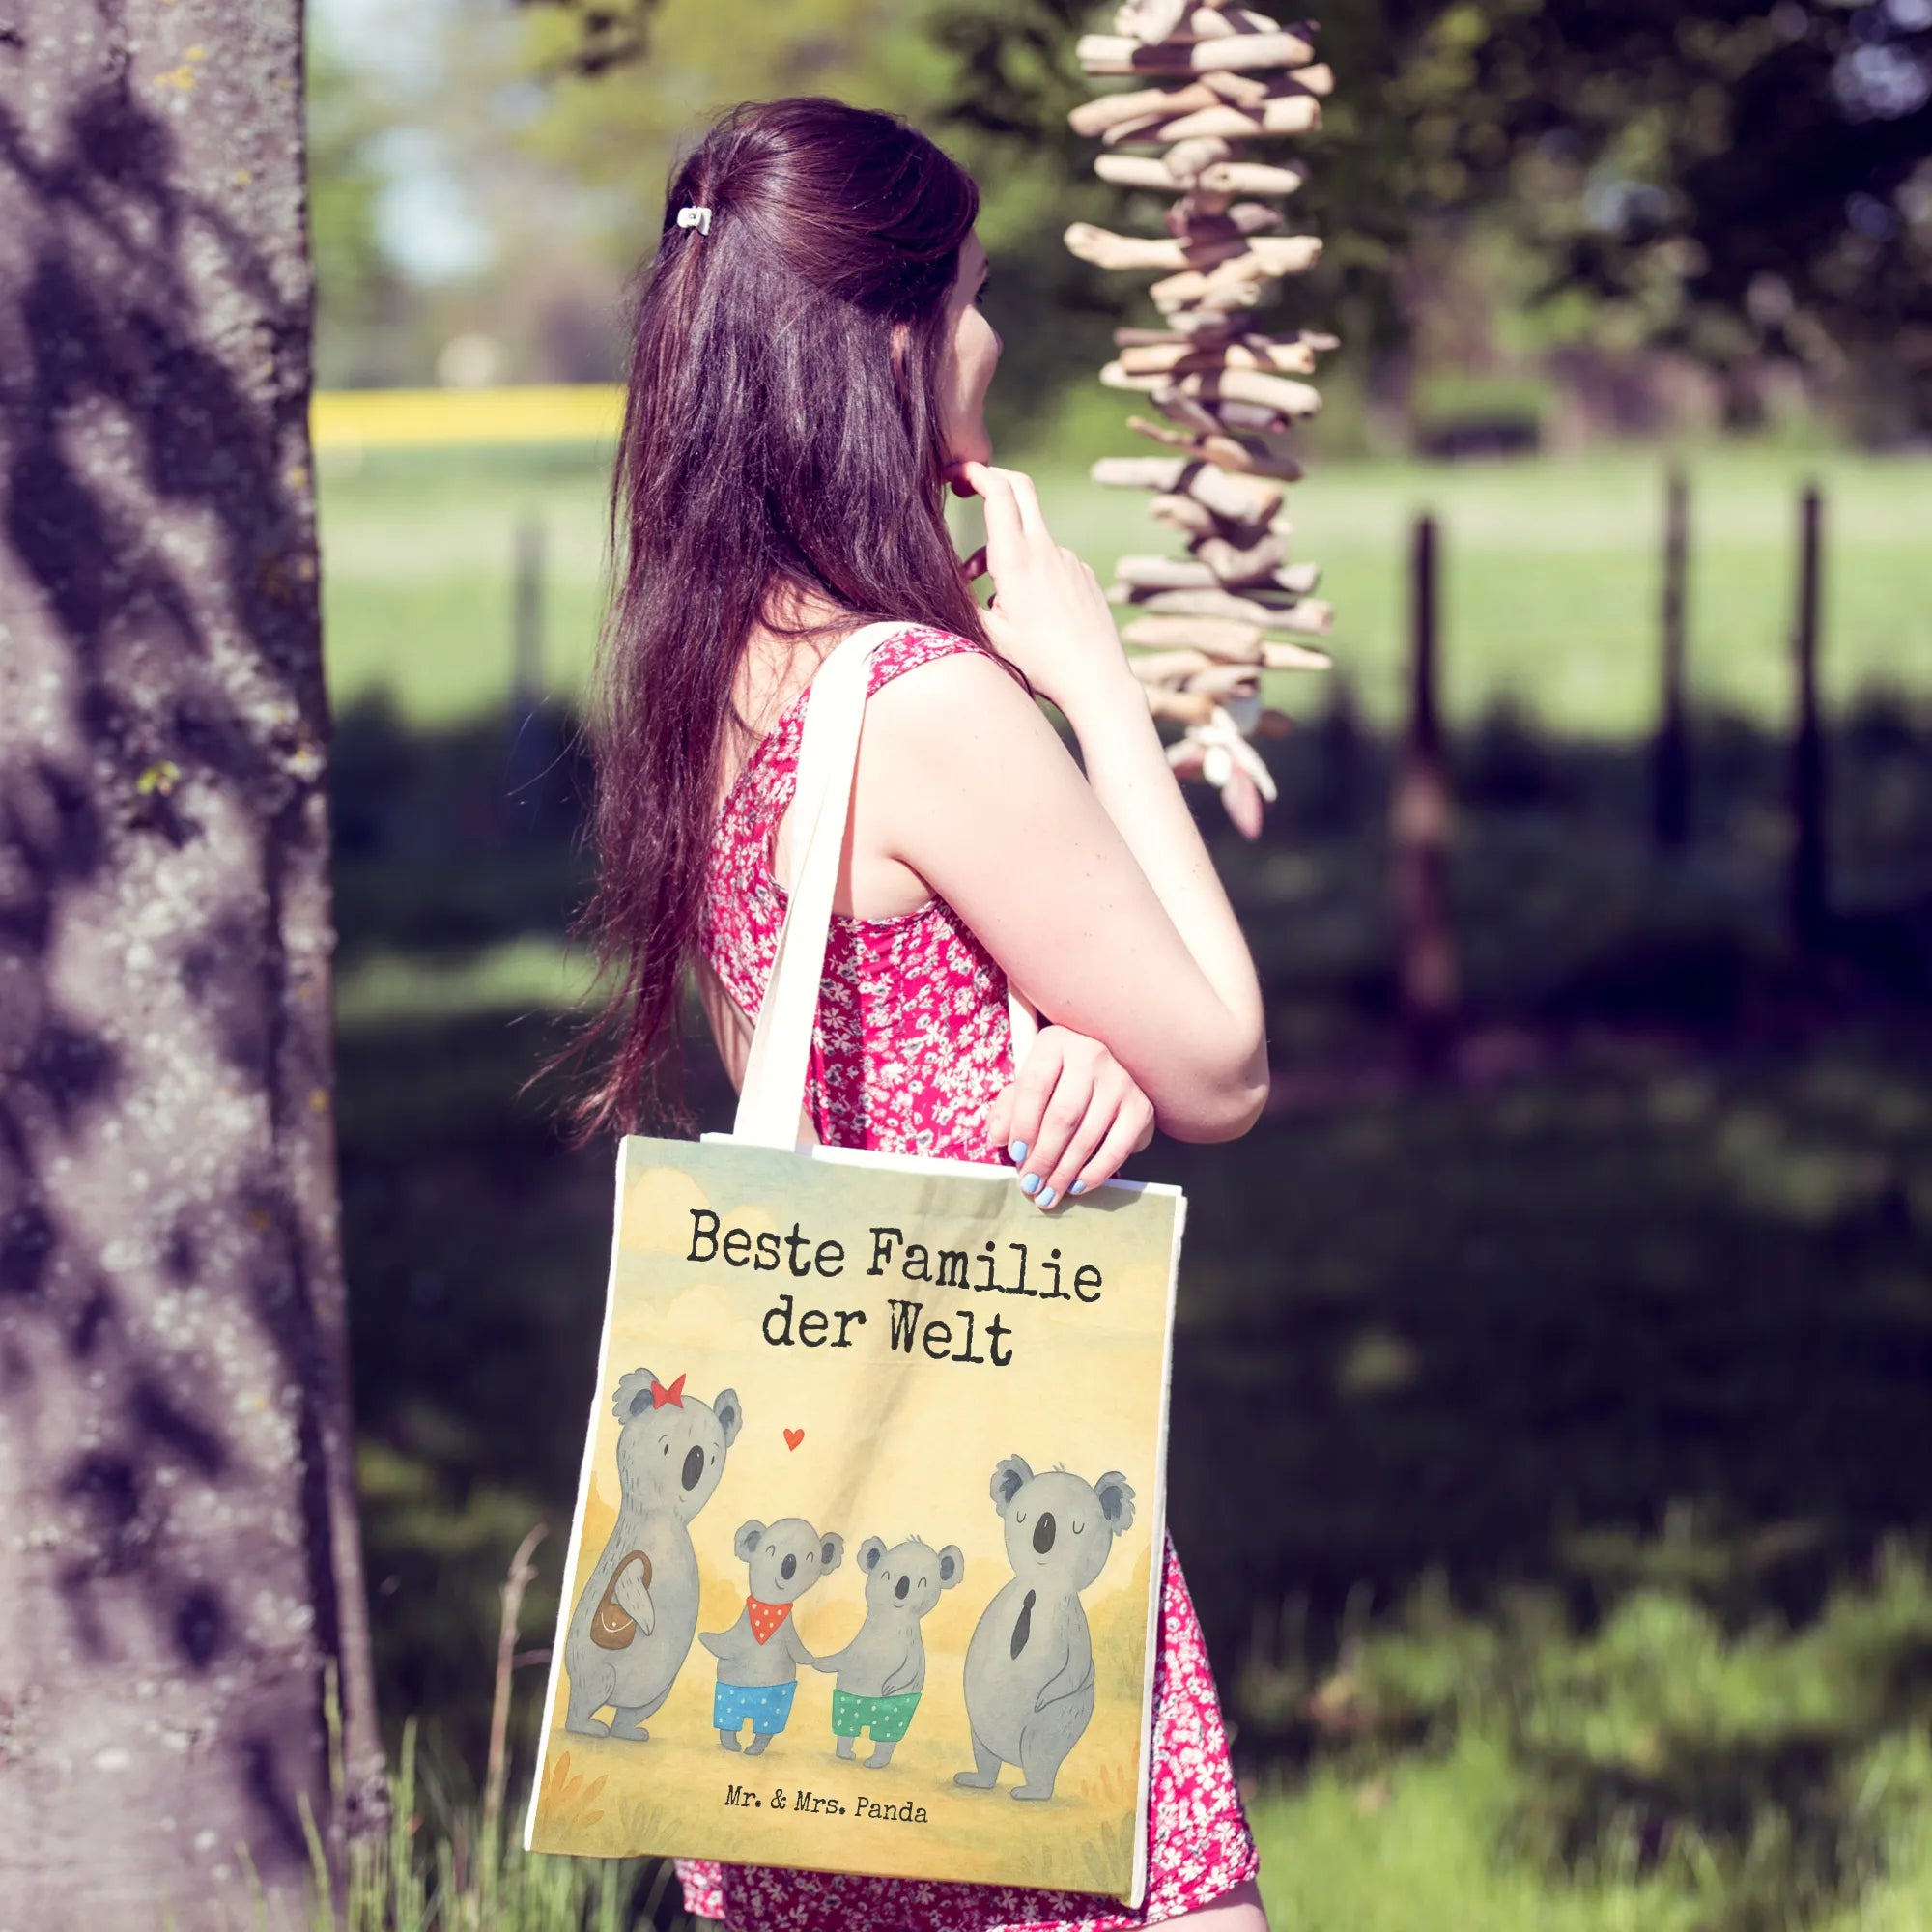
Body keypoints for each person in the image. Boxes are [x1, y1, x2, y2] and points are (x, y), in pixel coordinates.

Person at [568, 95, 1272, 1932]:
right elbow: (1223, 1062)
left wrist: (1061, 1037)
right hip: (983, 1489)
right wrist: (1096, 688)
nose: (992, 338)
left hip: (811, 1557)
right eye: (967, 296)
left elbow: (829, 1043)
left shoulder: (713, 668)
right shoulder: (925, 704)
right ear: (889, 340)